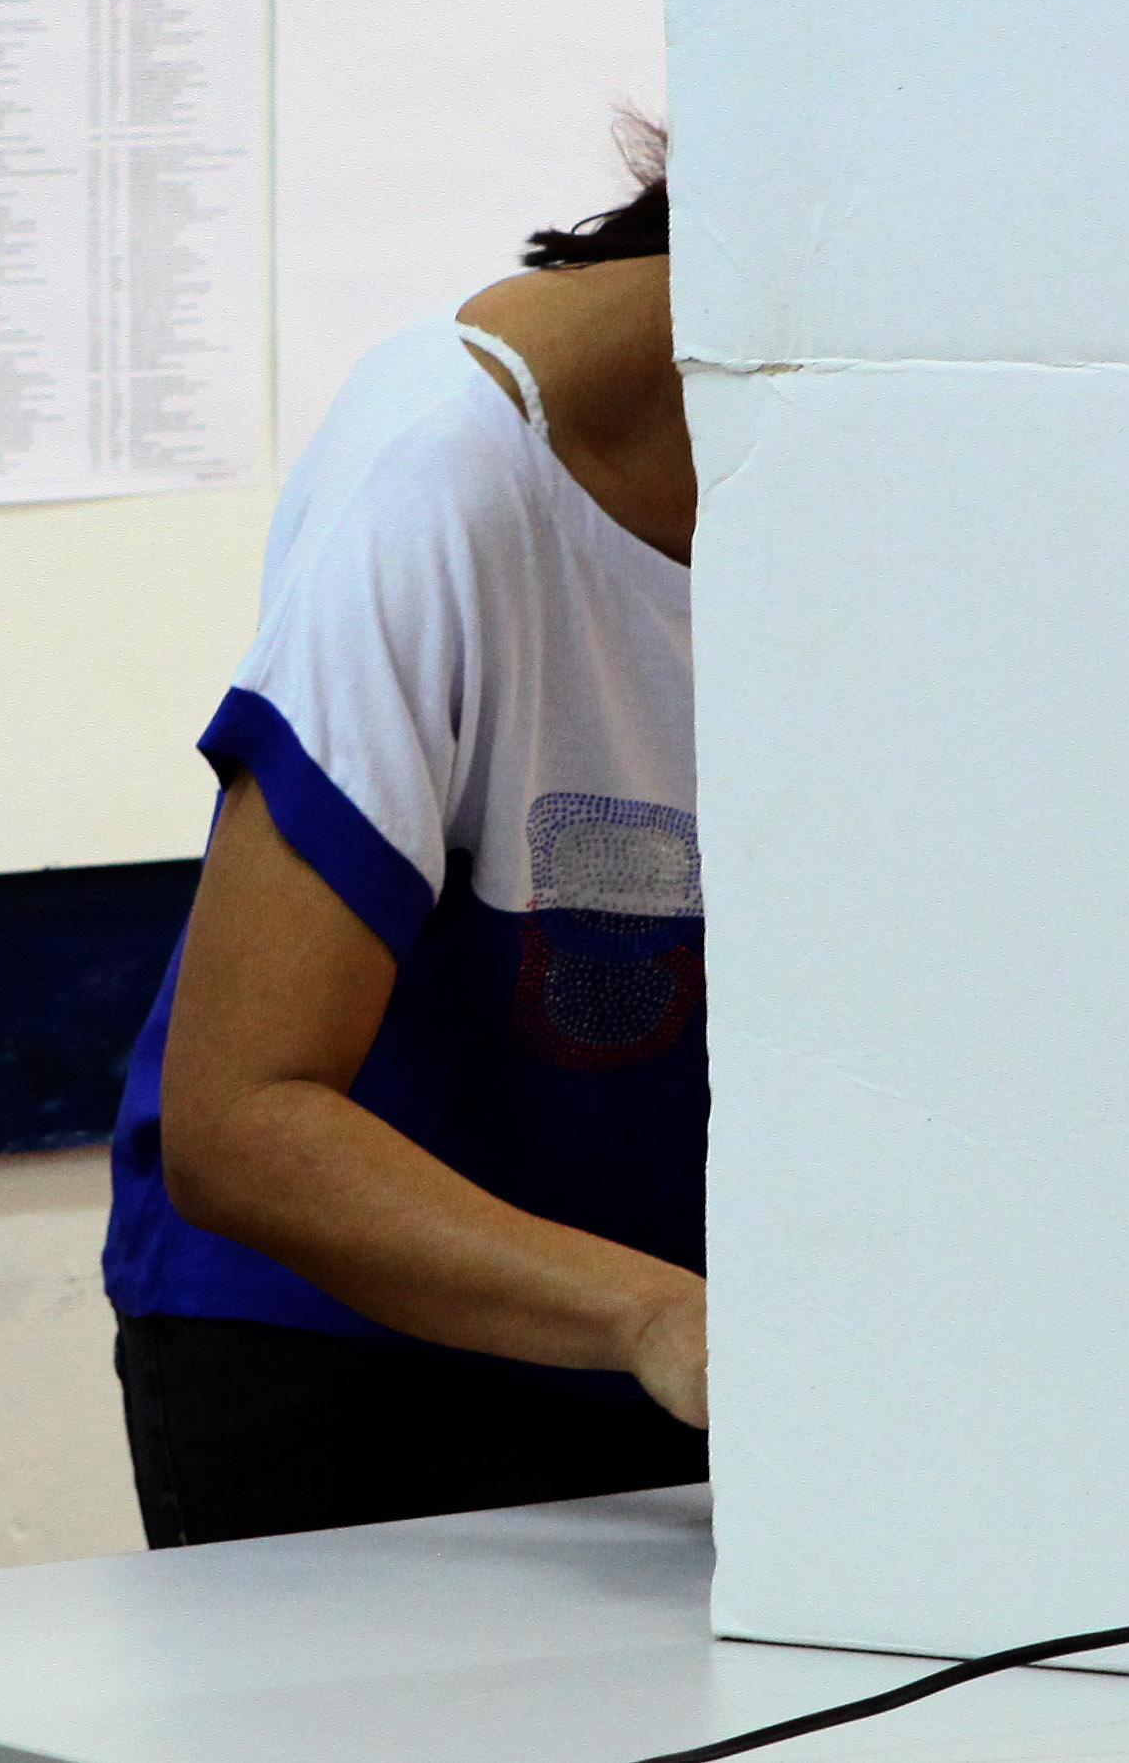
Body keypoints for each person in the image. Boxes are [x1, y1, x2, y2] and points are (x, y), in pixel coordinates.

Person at [102, 126, 705, 1546]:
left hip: (704, 1339)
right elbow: (241, 1123)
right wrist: (654, 1312)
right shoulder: (444, 463)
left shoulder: (926, 496)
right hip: (354, 1363)